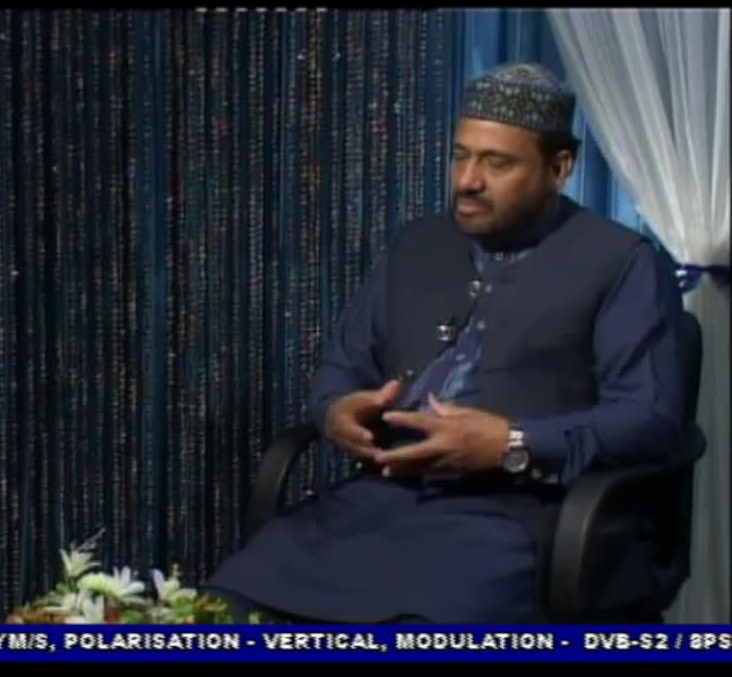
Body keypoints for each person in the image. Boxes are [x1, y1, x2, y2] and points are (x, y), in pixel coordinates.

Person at [202, 61, 687, 624]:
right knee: (219, 611)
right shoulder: (416, 244)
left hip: (520, 519)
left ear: (560, 167)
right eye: (461, 155)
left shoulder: (623, 262)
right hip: (375, 503)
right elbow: (343, 362)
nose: (467, 181)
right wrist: (335, 412)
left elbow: (649, 417)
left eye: (497, 162)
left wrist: (513, 441)